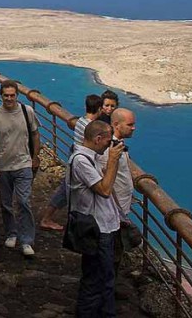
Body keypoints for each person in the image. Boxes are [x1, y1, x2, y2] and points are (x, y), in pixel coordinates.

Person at [68, 120, 125, 317]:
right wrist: (112, 161)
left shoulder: (91, 158)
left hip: (104, 226)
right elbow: (104, 189)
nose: (110, 146)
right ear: (98, 139)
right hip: (97, 228)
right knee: (96, 281)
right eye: (108, 141)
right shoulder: (81, 161)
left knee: (104, 279)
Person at [0, 79, 40, 257]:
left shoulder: (27, 111)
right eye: (6, 95)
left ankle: (26, 240)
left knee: (24, 202)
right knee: (6, 203)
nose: (9, 99)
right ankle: (11, 232)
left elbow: (34, 133)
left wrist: (35, 156)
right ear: (0, 96)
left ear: (17, 95)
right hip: (2, 165)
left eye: (12, 95)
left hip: (23, 163)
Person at [39, 94, 103, 231]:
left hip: (74, 156)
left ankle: (48, 218)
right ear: (99, 109)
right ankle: (51, 220)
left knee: (66, 189)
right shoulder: (91, 127)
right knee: (70, 192)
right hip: (82, 161)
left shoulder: (80, 121)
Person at [98, 107, 137, 270]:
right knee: (111, 251)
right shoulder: (109, 149)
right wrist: (119, 211)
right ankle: (107, 288)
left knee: (115, 250)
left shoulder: (119, 144)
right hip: (113, 209)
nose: (133, 128)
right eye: (130, 124)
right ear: (116, 125)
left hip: (119, 207)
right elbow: (104, 177)